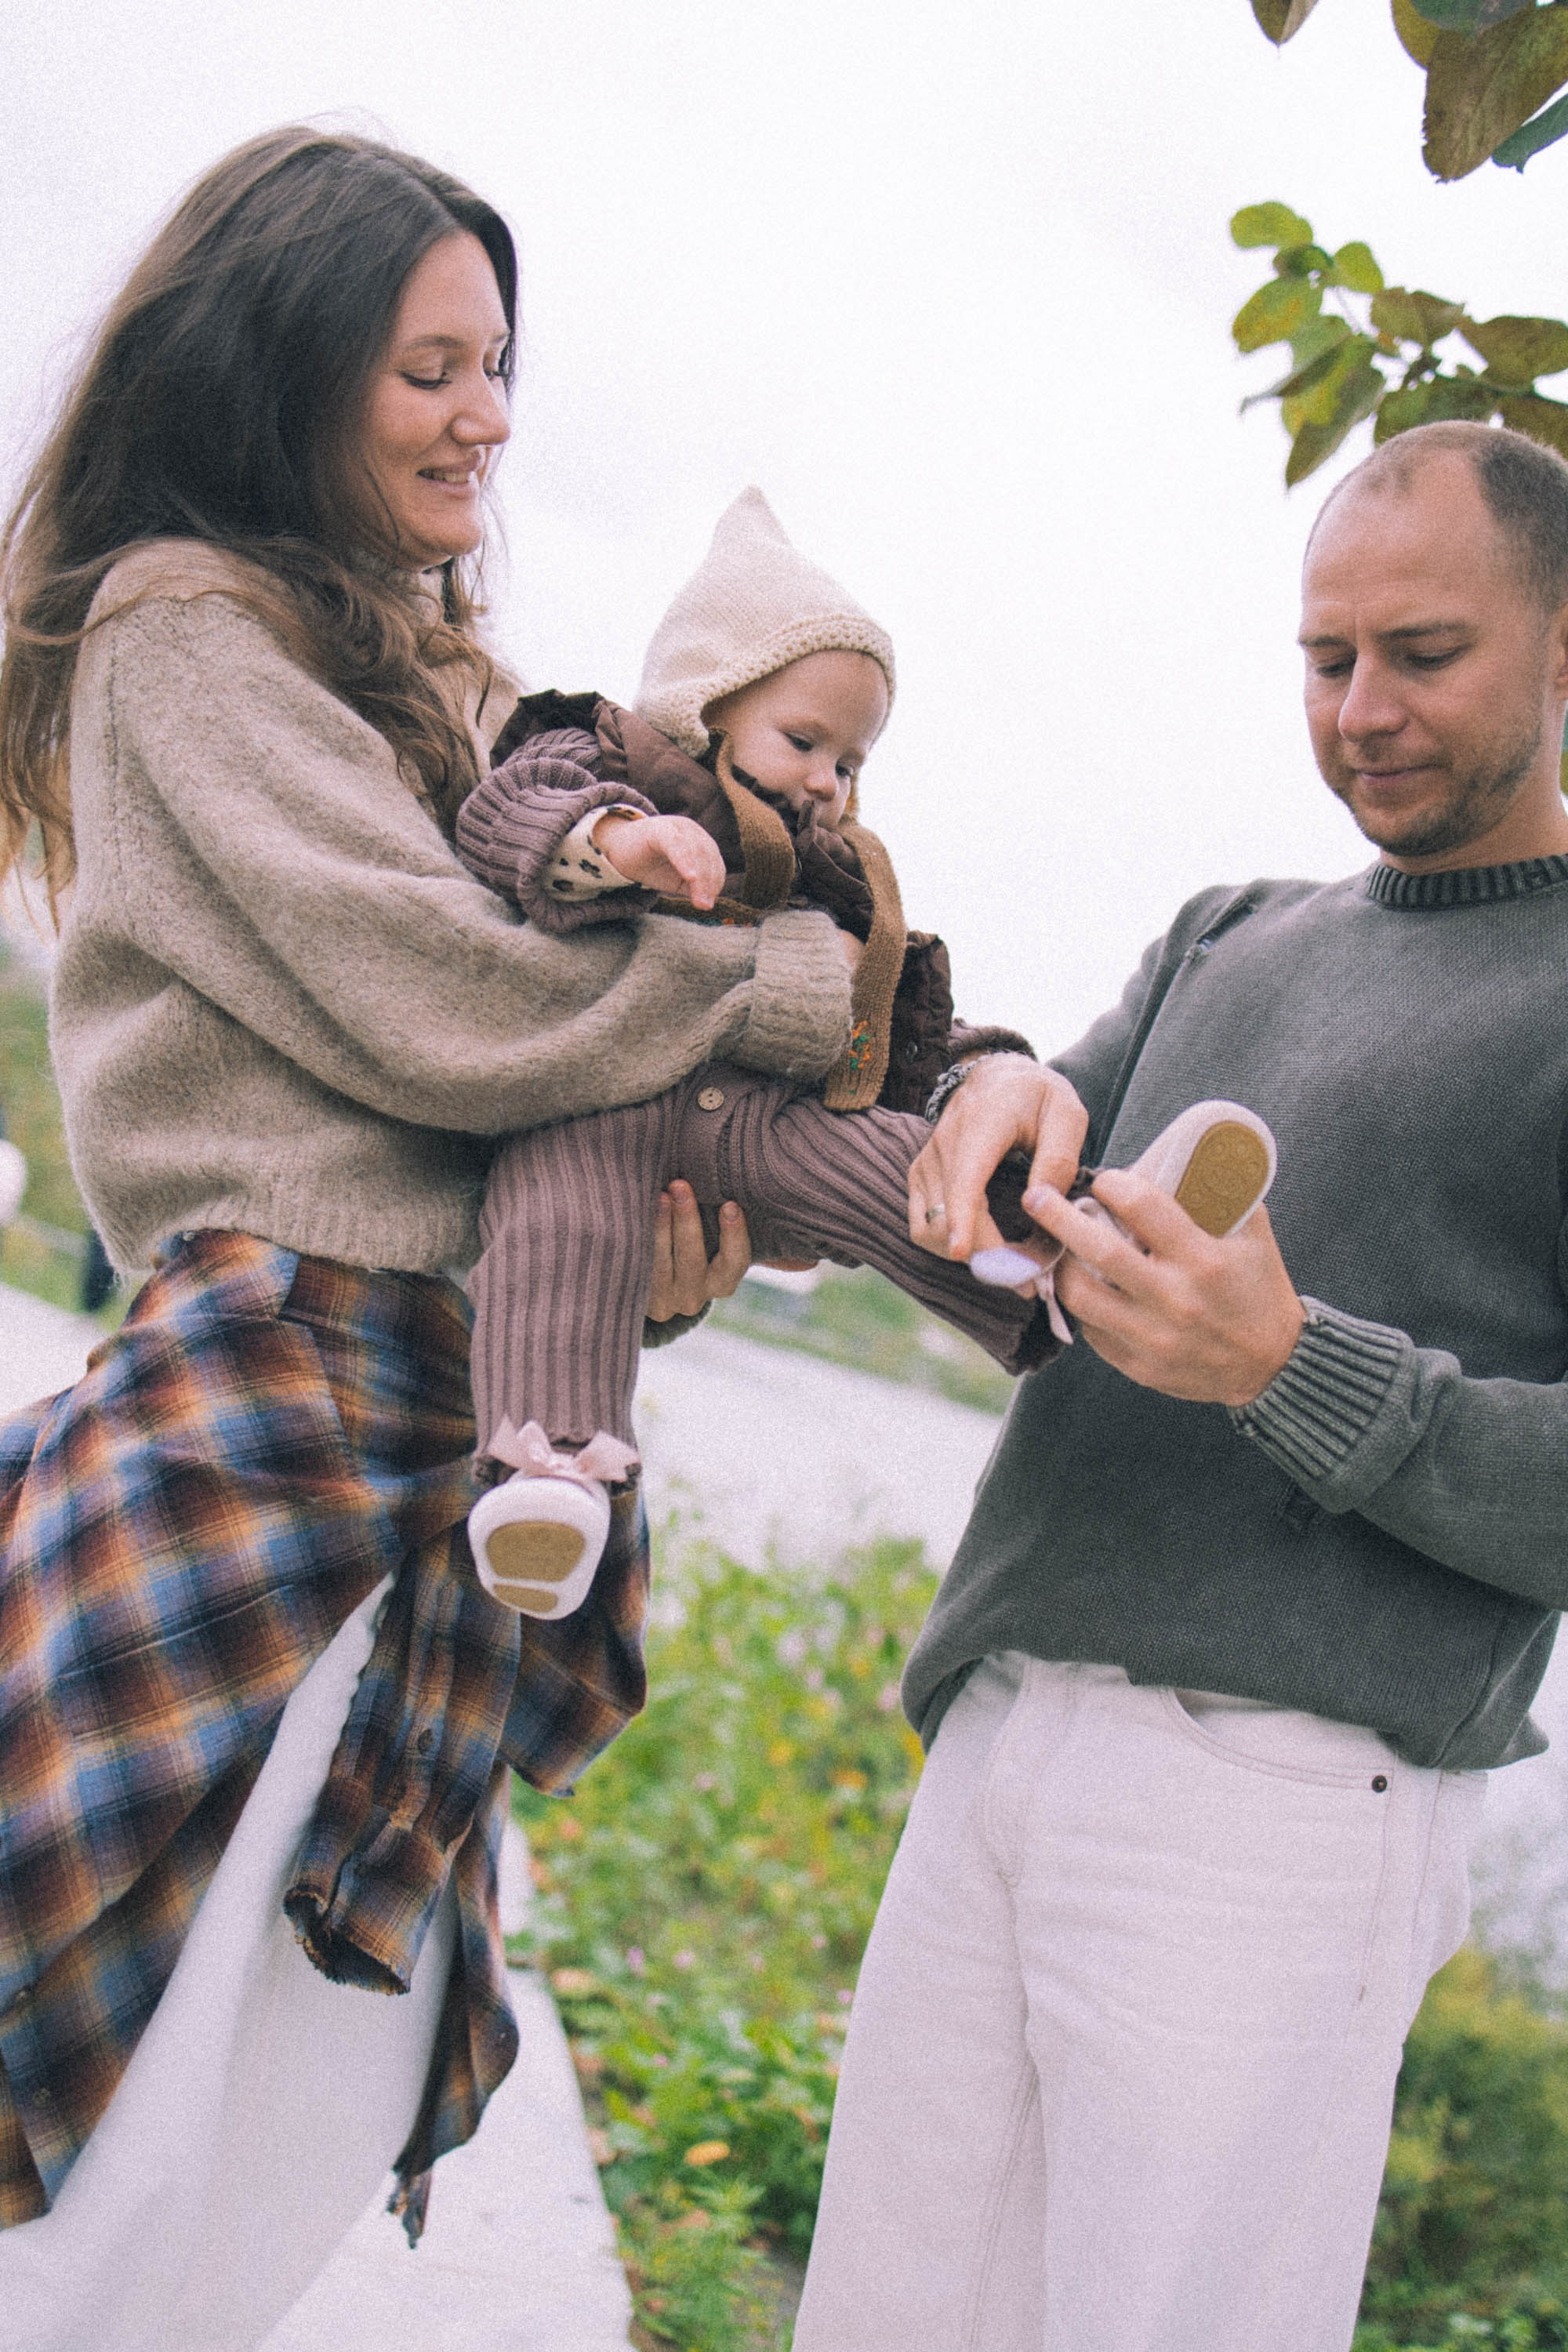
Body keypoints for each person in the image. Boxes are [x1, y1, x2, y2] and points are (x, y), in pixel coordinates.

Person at [0, 127, 860, 2351]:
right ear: (289, 374)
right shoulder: (182, 625)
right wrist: (788, 1002)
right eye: (428, 371)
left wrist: (697, 1208)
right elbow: (439, 1002)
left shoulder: (448, 678)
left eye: (499, 365)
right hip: (271, 1400)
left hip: (466, 1418)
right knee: (122, 2062)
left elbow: (574, 1059)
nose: (489, 415)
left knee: (274, 2087)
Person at [793, 419, 1568, 2352]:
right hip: (1002, 1733)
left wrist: (1290, 1368)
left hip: (1285, 1804)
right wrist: (994, 1101)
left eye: (1424, 653)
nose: (1362, 708)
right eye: (1326, 659)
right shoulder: (1225, 936)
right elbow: (1019, 1212)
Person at [452, 488, 1054, 1610]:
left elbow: (900, 1034)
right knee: (558, 1236)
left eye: (853, 759)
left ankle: (1057, 1260)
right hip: (596, 1107)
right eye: (805, 740)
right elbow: (504, 815)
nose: (828, 780)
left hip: (765, 1130)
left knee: (900, 1173)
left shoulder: (834, 871)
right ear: (707, 702)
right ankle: (548, 1477)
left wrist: (989, 1067)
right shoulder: (606, 755)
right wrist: (618, 842)